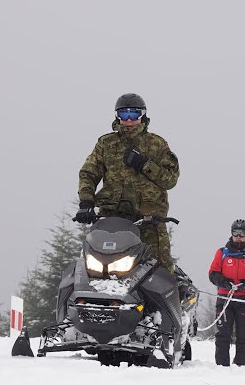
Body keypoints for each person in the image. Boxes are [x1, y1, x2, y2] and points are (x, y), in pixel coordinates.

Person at [76, 93, 181, 272]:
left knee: (161, 270)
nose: (129, 120)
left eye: (134, 114)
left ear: (143, 116)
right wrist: (86, 202)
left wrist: (145, 165)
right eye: (124, 115)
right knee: (96, 266)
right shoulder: (106, 144)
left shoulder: (156, 144)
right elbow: (88, 173)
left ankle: (171, 297)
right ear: (117, 117)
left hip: (148, 221)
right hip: (111, 220)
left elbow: (170, 179)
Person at [208, 219, 245, 366]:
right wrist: (225, 282)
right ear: (231, 233)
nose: (238, 236)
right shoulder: (222, 252)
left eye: (242, 233)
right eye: (236, 233)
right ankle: (222, 366)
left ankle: (240, 365)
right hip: (225, 298)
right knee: (223, 335)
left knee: (243, 336)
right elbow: (213, 274)